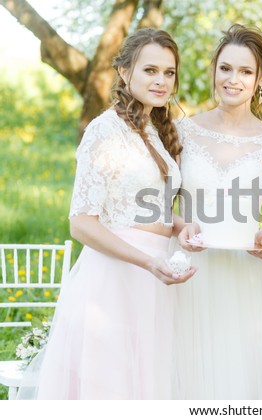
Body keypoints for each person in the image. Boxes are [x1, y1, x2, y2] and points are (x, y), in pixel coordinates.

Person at [18, 28, 196, 399]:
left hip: (156, 276)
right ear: (124, 72)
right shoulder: (104, 131)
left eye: (169, 72)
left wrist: (181, 226)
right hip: (118, 277)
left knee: (148, 383)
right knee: (111, 385)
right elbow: (81, 223)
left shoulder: (155, 129)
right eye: (150, 70)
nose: (161, 81)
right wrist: (147, 262)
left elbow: (146, 205)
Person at [174, 24, 262, 399]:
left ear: (261, 79)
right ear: (214, 70)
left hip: (245, 273)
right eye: (225, 68)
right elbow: (159, 205)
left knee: (239, 379)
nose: (233, 79)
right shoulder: (180, 132)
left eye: (245, 71)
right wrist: (179, 226)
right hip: (187, 269)